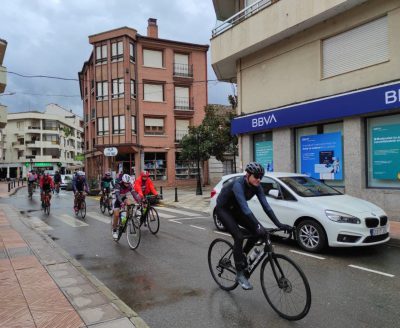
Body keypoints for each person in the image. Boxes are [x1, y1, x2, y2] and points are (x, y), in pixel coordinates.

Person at [215, 162, 292, 290]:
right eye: (256, 176)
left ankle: (242, 255)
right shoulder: (238, 185)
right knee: (239, 237)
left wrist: (279, 224)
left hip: (237, 210)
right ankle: (240, 274)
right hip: (224, 210)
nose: (258, 179)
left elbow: (266, 207)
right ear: (248, 174)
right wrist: (257, 225)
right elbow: (245, 208)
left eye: (261, 177)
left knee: (259, 233)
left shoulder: (257, 186)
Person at [112, 174, 141, 239]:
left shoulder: (129, 185)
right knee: (116, 215)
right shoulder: (118, 185)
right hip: (116, 199)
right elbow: (117, 195)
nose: (127, 184)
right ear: (122, 181)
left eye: (128, 183)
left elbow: (134, 194)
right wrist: (121, 203)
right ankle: (114, 230)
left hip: (123, 197)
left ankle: (127, 219)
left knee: (129, 203)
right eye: (126, 183)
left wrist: (138, 201)